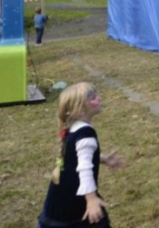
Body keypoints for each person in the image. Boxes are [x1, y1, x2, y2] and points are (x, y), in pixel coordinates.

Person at [38, 82, 123, 228]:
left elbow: (76, 158)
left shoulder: (72, 128)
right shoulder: (86, 133)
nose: (99, 98)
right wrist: (91, 200)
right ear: (79, 109)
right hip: (75, 201)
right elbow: (84, 168)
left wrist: (103, 159)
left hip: (59, 198)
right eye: (92, 98)